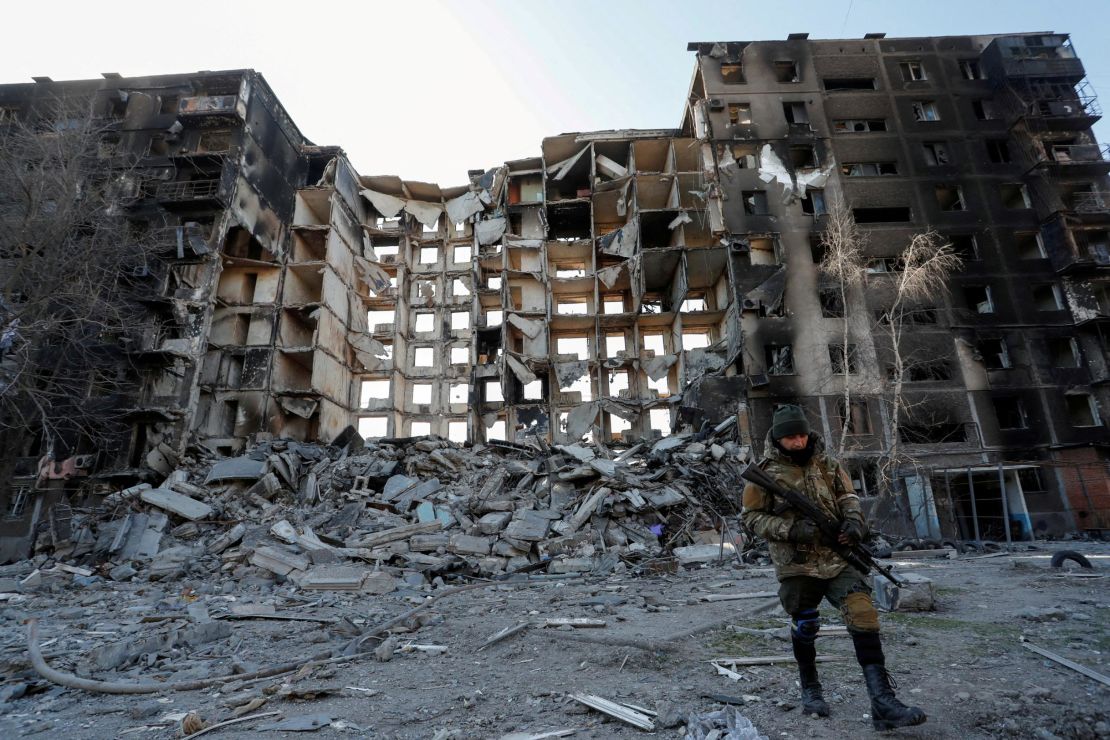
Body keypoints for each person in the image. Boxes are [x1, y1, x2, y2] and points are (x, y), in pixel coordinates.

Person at [741, 404, 926, 730]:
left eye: (801, 435)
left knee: (863, 613)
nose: (797, 442)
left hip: (837, 557)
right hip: (797, 564)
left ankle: (882, 700)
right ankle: (811, 688)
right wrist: (791, 530)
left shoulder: (827, 463)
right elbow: (751, 518)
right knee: (806, 624)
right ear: (778, 438)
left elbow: (848, 497)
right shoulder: (764, 473)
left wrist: (854, 523)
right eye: (790, 437)